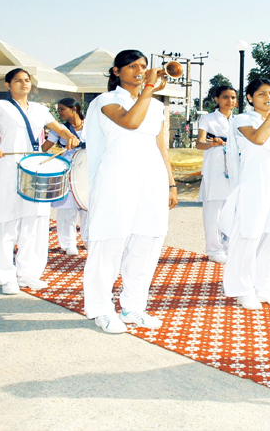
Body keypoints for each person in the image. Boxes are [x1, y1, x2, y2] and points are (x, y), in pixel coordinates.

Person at [0, 68, 80, 295]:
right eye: (18, 80)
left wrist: (69, 135)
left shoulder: (40, 110)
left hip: (35, 171)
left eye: (27, 80)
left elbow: (59, 129)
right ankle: (6, 277)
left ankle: (28, 273)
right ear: (7, 85)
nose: (24, 84)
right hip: (7, 171)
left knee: (34, 223)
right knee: (6, 224)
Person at [82, 49, 178, 334]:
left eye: (144, 66)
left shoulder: (157, 106)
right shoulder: (106, 101)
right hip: (117, 176)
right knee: (109, 241)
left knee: (147, 241)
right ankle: (100, 308)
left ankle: (133, 306)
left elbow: (161, 146)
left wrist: (171, 184)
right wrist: (149, 86)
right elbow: (131, 122)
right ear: (116, 72)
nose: (140, 70)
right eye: (133, 66)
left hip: (151, 178)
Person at [218, 78, 270, 310]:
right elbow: (259, 139)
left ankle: (263, 287)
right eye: (262, 94)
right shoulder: (243, 119)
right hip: (254, 182)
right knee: (248, 236)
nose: (268, 97)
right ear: (251, 98)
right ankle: (242, 289)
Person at [196, 85, 237, 264]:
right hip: (215, 166)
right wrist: (211, 144)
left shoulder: (238, 120)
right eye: (226, 97)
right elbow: (199, 143)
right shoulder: (208, 119)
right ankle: (213, 248)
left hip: (235, 166)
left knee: (232, 207)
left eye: (233, 97)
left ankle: (229, 245)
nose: (230, 101)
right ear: (216, 99)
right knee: (214, 209)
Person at [41, 98, 87, 255]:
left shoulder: (91, 126)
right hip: (67, 171)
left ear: (73, 109)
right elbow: (45, 149)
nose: (59, 112)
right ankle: (68, 244)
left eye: (62, 109)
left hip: (87, 171)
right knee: (67, 209)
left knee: (87, 207)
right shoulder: (58, 129)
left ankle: (88, 239)